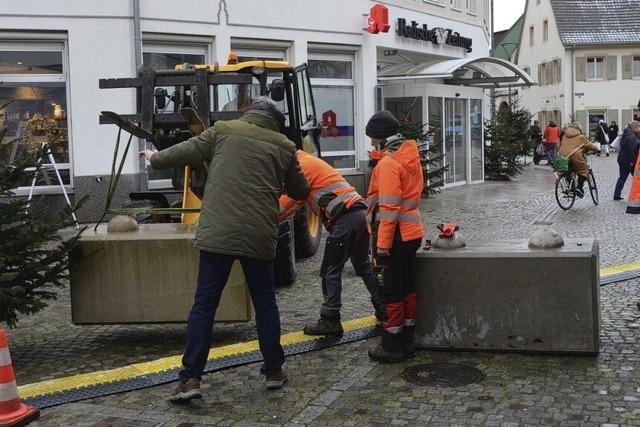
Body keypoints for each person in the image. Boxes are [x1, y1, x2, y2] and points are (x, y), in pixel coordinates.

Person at [140, 99, 310, 401]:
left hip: (218, 234)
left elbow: (186, 151)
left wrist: (155, 158)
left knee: (204, 305)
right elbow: (301, 191)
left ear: (249, 114)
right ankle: (273, 371)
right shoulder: (284, 145)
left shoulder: (223, 130)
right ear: (275, 122)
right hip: (259, 236)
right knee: (265, 304)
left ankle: (190, 379)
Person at [278, 151, 384, 336]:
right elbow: (295, 204)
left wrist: (260, 213)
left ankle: (330, 319)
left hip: (345, 219)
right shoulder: (309, 162)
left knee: (329, 271)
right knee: (363, 265)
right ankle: (384, 309)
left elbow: (284, 205)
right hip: (360, 215)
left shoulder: (301, 168)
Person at [364, 111, 425, 363]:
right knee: (408, 288)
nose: (370, 144)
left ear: (380, 138)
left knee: (391, 291)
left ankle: (392, 346)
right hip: (412, 234)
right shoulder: (409, 155)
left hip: (395, 237)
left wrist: (382, 246)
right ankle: (407, 340)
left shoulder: (389, 164)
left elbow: (389, 208)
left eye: (371, 138)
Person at [558, 121, 598, 198]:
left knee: (568, 172)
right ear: (579, 128)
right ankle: (579, 188)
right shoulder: (581, 137)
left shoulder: (564, 136)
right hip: (574, 156)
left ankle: (571, 188)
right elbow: (590, 146)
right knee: (583, 169)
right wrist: (597, 149)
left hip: (563, 156)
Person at [614, 121, 640, 200]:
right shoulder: (632, 137)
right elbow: (632, 150)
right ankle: (635, 195)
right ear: (636, 127)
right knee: (637, 178)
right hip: (629, 161)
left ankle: (616, 195)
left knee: (622, 178)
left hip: (622, 159)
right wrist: (632, 162)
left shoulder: (626, 134)